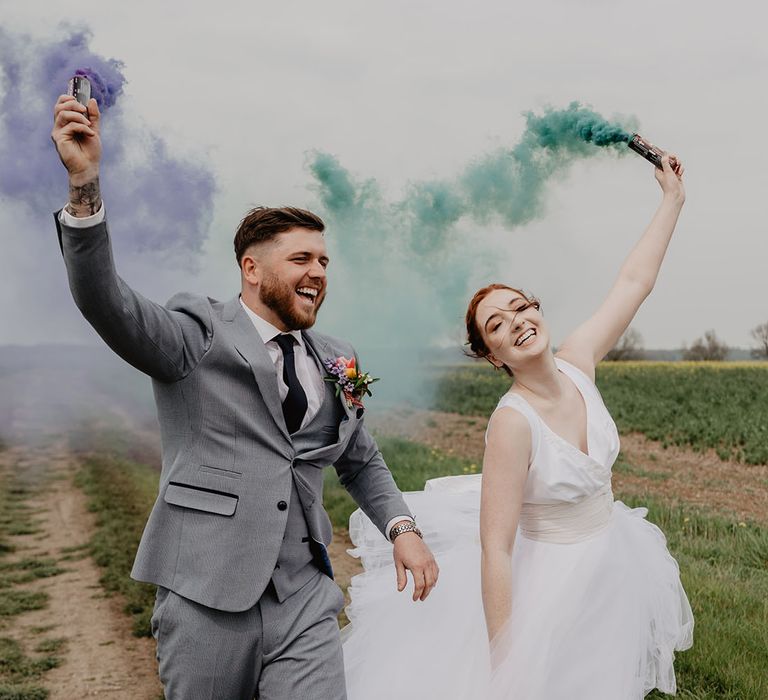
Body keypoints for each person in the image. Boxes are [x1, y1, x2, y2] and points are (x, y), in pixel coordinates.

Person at [50, 93, 438, 699]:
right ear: (251, 270)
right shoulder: (196, 334)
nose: (318, 273)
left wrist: (402, 528)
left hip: (304, 596)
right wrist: (84, 186)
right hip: (206, 594)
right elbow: (106, 302)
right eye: (302, 259)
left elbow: (360, 459)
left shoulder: (336, 357)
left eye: (325, 261)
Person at [341, 155, 693, 699]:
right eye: (497, 325)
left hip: (612, 562)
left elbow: (634, 281)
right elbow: (497, 548)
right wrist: (507, 666)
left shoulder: (580, 360)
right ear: (492, 355)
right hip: (550, 584)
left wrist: (671, 199)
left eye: (520, 307)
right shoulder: (512, 423)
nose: (517, 322)